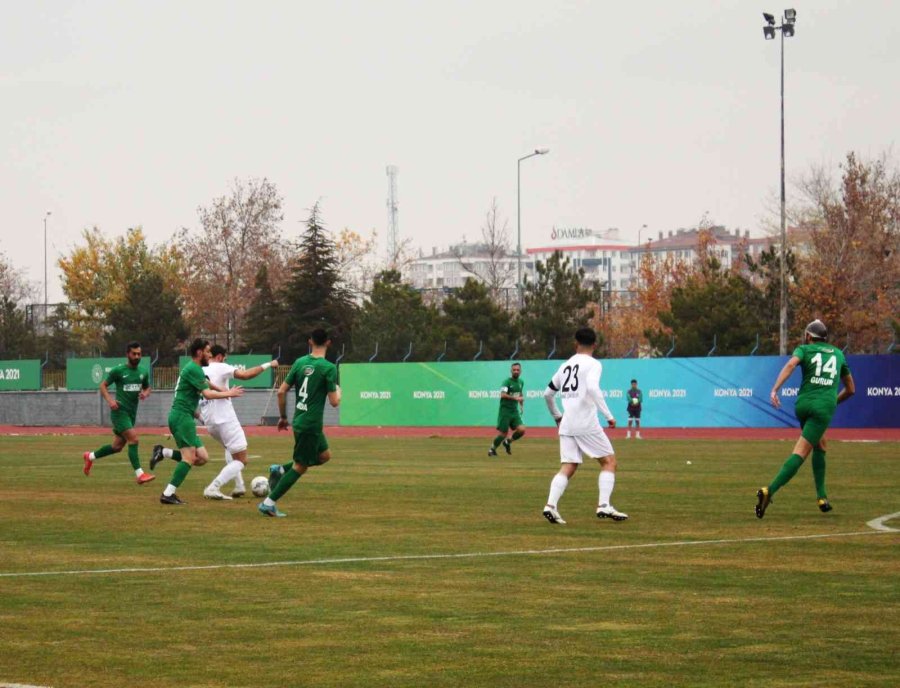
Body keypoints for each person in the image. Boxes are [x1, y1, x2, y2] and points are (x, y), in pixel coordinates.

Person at [756, 319, 855, 518]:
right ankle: (769, 491)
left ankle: (822, 497)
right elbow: (851, 389)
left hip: (802, 405)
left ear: (809, 336)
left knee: (821, 445)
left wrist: (775, 389)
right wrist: (833, 401)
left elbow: (791, 364)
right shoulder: (838, 354)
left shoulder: (804, 349)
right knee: (801, 452)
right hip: (822, 407)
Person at [541, 327, 628, 525]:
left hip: (567, 424)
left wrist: (557, 416)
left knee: (569, 465)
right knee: (609, 462)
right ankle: (604, 505)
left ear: (576, 343)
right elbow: (592, 388)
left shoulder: (565, 365)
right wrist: (609, 415)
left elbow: (547, 394)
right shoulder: (593, 364)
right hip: (586, 422)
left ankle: (550, 506)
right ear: (594, 345)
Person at [259, 328, 340, 517]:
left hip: (300, 420)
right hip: (311, 424)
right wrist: (339, 392)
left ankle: (279, 469)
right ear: (328, 342)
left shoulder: (299, 363)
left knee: (324, 456)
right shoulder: (328, 368)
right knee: (300, 466)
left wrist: (283, 417)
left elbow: (281, 391)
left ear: (310, 341)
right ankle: (268, 503)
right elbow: (334, 402)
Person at [158, 338, 244, 505]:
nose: (209, 355)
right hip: (182, 417)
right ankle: (168, 493)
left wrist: (225, 390)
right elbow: (207, 394)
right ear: (199, 353)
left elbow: (209, 385)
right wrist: (229, 394)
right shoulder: (194, 369)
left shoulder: (194, 369)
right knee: (189, 458)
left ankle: (164, 452)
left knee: (202, 458)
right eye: (207, 351)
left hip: (184, 416)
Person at [193, 345, 279, 499]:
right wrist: (268, 364)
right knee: (241, 460)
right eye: (225, 358)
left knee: (229, 449)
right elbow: (245, 375)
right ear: (219, 357)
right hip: (225, 419)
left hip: (210, 423)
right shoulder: (220, 366)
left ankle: (239, 486)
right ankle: (213, 487)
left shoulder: (199, 370)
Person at [82, 341, 156, 484]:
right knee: (134, 439)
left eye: (139, 354)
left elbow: (147, 388)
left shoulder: (143, 372)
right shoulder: (118, 371)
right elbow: (102, 386)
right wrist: (110, 401)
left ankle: (89, 456)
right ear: (127, 354)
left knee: (117, 447)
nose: (136, 356)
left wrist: (145, 393)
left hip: (131, 414)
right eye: (134, 354)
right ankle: (140, 475)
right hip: (119, 413)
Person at [488, 362, 526, 456]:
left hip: (514, 411)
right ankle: (492, 449)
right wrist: (516, 398)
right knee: (503, 434)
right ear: (511, 371)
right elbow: (503, 394)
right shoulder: (507, 382)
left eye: (518, 370)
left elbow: (520, 394)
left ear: (520, 371)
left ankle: (507, 442)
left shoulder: (521, 382)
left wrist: (521, 405)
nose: (516, 371)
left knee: (522, 430)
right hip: (505, 411)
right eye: (514, 370)